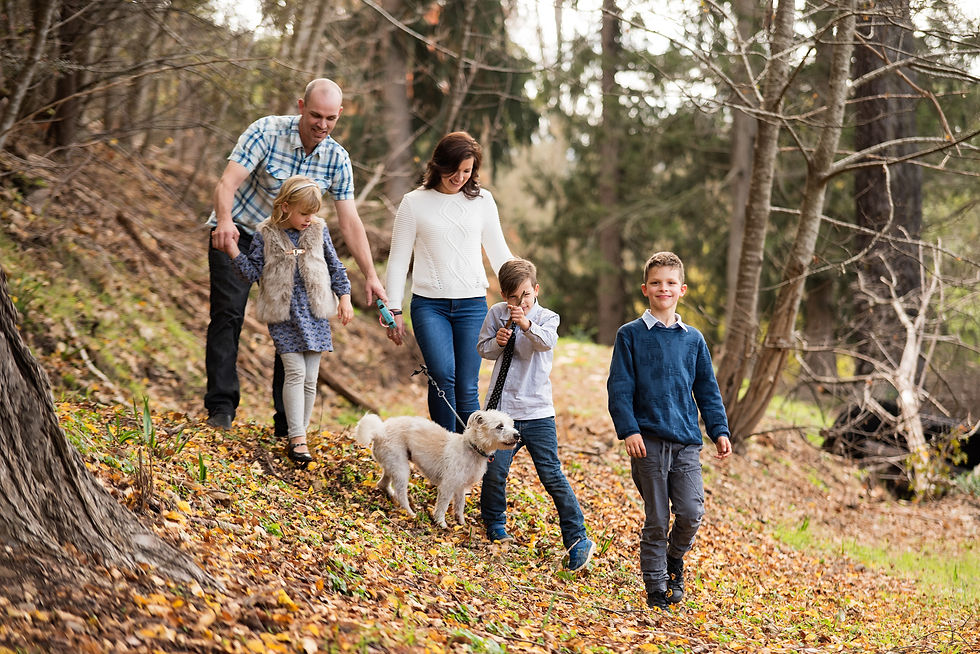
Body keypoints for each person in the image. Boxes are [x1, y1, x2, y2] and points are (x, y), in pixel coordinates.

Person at [205, 78, 385, 433]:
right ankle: (221, 409)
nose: (323, 124)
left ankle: (287, 424)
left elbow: (349, 221)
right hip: (240, 232)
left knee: (291, 323)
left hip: (291, 249)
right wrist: (224, 222)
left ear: (340, 115)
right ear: (301, 106)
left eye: (331, 118)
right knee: (228, 315)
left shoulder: (336, 158)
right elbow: (228, 182)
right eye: (316, 115)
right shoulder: (266, 132)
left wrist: (371, 276)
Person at [606, 251, 732, 610]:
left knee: (691, 512)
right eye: (657, 283)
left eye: (671, 283)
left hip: (686, 443)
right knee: (657, 518)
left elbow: (707, 389)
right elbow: (619, 387)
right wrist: (629, 430)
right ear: (645, 288)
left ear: (683, 289)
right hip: (647, 442)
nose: (664, 288)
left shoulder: (693, 340)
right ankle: (656, 588)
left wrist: (719, 429)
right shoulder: (629, 335)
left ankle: (674, 559)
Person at [213, 175, 353, 466]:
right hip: (284, 313)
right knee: (295, 372)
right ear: (286, 206)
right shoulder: (267, 233)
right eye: (304, 213)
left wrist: (344, 297)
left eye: (313, 213)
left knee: (311, 379)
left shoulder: (318, 230)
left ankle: (296, 434)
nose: (309, 219)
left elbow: (334, 264)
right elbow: (252, 273)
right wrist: (232, 251)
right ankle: (297, 438)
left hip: (315, 311)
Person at [384, 132, 512, 432]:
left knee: (467, 385)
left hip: (472, 305)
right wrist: (394, 309)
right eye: (454, 170)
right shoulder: (414, 202)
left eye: (467, 171)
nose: (459, 177)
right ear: (439, 164)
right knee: (443, 375)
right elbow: (399, 259)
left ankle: (469, 458)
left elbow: (499, 252)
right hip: (430, 306)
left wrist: (523, 289)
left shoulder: (483, 201)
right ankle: (444, 451)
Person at [477, 258, 596, 572]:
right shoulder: (495, 315)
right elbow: (483, 349)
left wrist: (526, 324)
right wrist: (496, 342)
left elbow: (546, 343)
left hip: (538, 412)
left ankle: (577, 539)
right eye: (514, 298)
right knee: (494, 471)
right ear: (504, 295)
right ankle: (495, 525)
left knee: (551, 475)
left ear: (536, 290)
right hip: (502, 412)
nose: (521, 302)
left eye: (526, 295)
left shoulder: (547, 317)